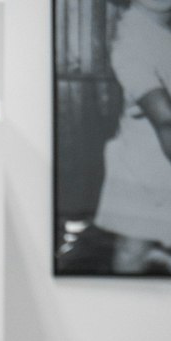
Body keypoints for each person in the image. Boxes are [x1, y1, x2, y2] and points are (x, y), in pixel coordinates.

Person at [93, 0, 171, 272]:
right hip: (142, 166)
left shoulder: (162, 29)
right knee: (132, 253)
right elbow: (166, 121)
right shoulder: (132, 37)